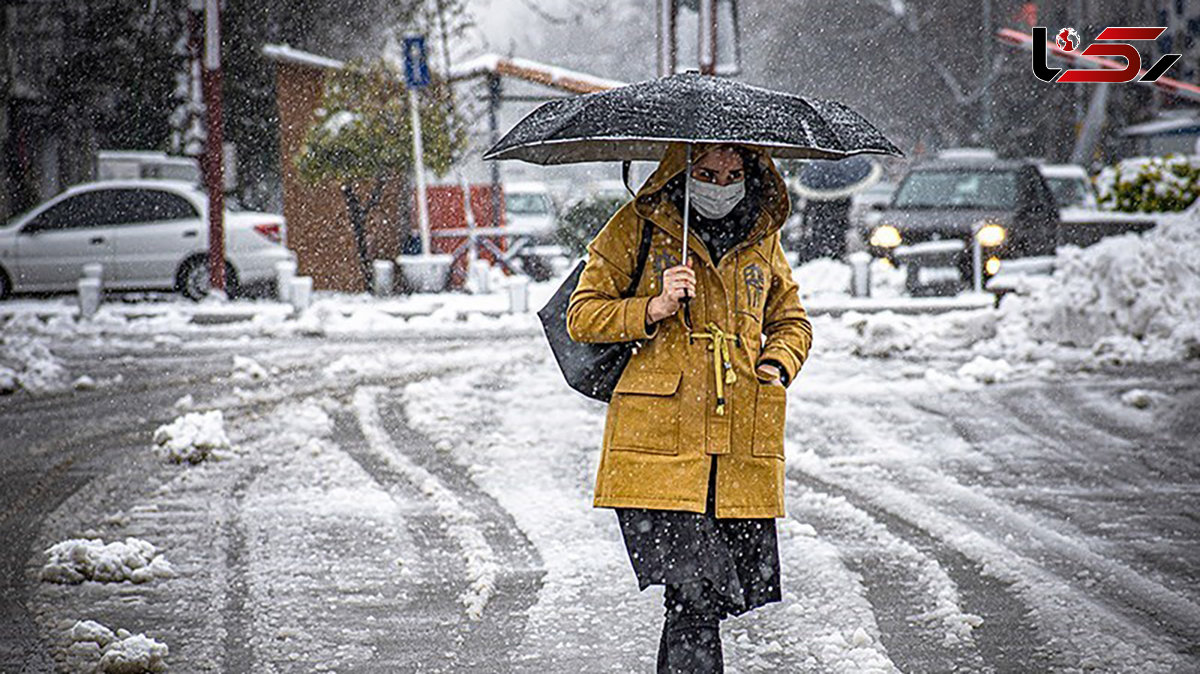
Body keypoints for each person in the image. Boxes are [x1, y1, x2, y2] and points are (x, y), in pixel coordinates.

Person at [566, 142, 812, 673]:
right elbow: (581, 315)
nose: (720, 185)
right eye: (706, 172)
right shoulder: (639, 226)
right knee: (694, 596)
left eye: (732, 173)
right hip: (658, 450)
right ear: (682, 171)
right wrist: (652, 306)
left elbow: (793, 321)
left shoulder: (760, 238)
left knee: (700, 604)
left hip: (737, 450)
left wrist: (774, 366)